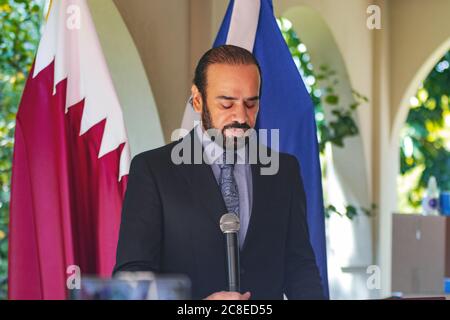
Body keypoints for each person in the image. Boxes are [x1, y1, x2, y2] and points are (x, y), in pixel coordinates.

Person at [114, 45, 324, 300]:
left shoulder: (284, 171)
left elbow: (300, 268)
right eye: (227, 104)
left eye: (251, 103)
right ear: (198, 99)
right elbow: (132, 279)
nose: (241, 117)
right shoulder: (153, 170)